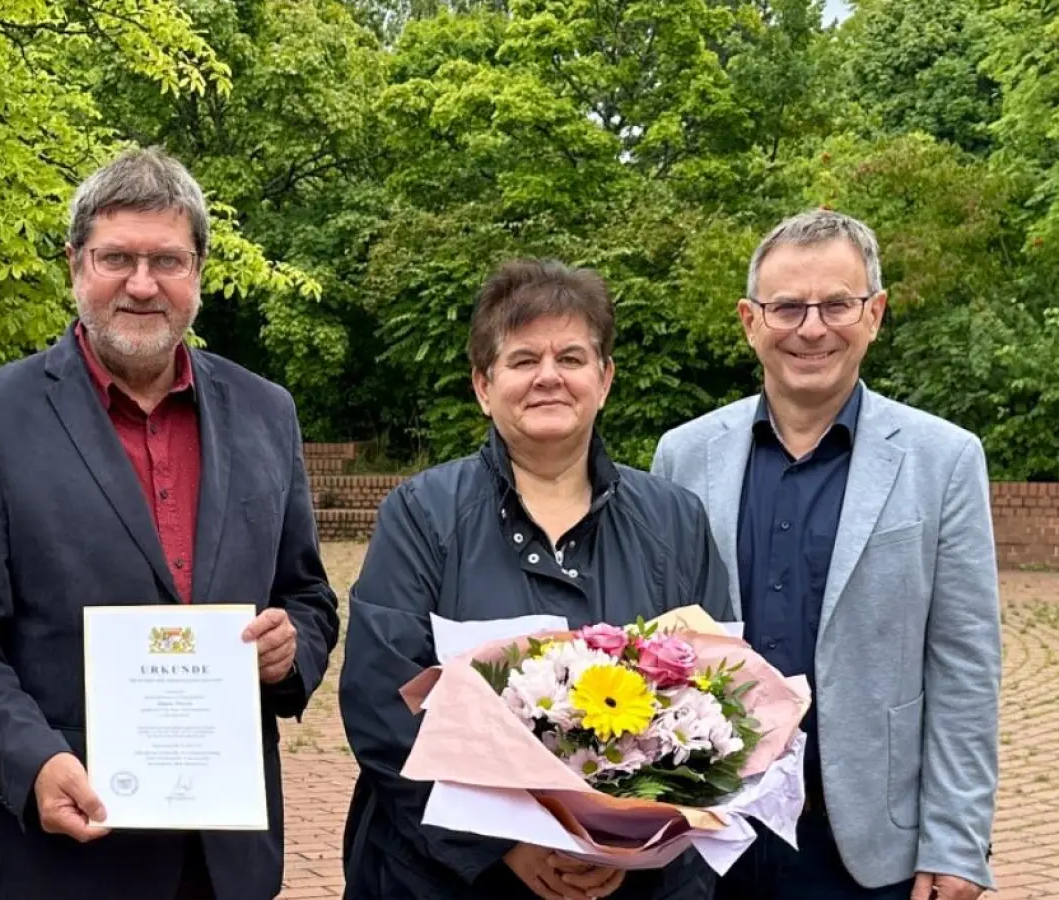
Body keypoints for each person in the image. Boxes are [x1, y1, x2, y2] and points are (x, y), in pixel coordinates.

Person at [0, 146, 341, 900]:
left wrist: (290, 651)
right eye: (117, 259)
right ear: (77, 264)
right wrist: (31, 760)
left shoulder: (266, 412)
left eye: (166, 260)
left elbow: (307, 593)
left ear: (197, 270)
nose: (142, 285)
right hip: (63, 854)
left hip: (226, 859)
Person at [338, 258, 733, 900]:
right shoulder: (422, 514)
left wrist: (627, 844)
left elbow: (718, 701)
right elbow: (382, 705)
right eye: (523, 360)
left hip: (638, 884)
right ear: (483, 385)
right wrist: (507, 845)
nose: (548, 377)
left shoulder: (676, 521)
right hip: (450, 877)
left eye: (571, 358)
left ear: (603, 380)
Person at [650, 209, 1000, 900]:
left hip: (866, 847)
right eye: (786, 307)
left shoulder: (945, 460)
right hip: (710, 835)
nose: (812, 328)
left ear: (875, 313)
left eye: (837, 303)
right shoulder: (683, 456)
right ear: (751, 321)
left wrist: (957, 844)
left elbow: (965, 666)